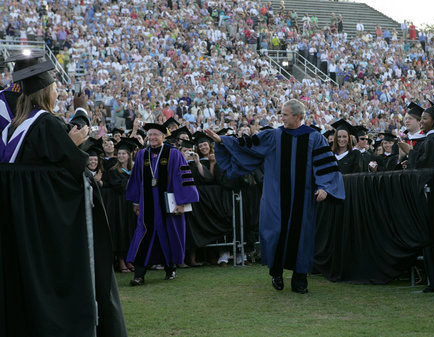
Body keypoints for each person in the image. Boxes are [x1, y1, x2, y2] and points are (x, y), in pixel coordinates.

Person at [0, 53, 127, 336]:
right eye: (56, 87)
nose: (58, 91)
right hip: (47, 232)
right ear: (46, 91)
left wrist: (69, 145)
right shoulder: (45, 123)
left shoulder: (10, 130)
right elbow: (69, 172)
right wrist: (77, 135)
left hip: (18, 231)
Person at [206, 99, 345, 294]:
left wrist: (324, 187)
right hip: (275, 197)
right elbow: (248, 144)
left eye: (285, 115)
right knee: (275, 233)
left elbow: (325, 165)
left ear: (297, 116)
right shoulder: (274, 136)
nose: (282, 118)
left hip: (303, 198)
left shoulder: (315, 138)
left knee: (301, 237)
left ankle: (299, 279)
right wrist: (223, 141)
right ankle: (276, 272)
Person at [126, 122, 199, 286]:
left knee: (169, 235)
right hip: (147, 207)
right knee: (143, 236)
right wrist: (135, 202)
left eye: (155, 135)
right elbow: (136, 180)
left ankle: (170, 268)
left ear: (163, 137)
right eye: (150, 135)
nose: (152, 138)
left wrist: (182, 202)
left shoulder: (173, 154)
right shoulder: (142, 155)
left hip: (168, 206)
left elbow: (183, 178)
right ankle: (139, 274)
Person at [403, 101, 434, 293]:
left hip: (433, 195)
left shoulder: (432, 140)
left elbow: (425, 166)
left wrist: (411, 153)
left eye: (425, 118)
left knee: (430, 238)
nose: (421, 122)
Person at [104, 139, 138, 273]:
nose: (121, 156)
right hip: (118, 204)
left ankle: (130, 259)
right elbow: (119, 187)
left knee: (131, 230)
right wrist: (130, 180)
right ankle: (121, 261)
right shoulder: (113, 170)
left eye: (124, 154)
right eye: (119, 154)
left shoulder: (133, 169)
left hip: (131, 204)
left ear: (129, 155)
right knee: (121, 231)